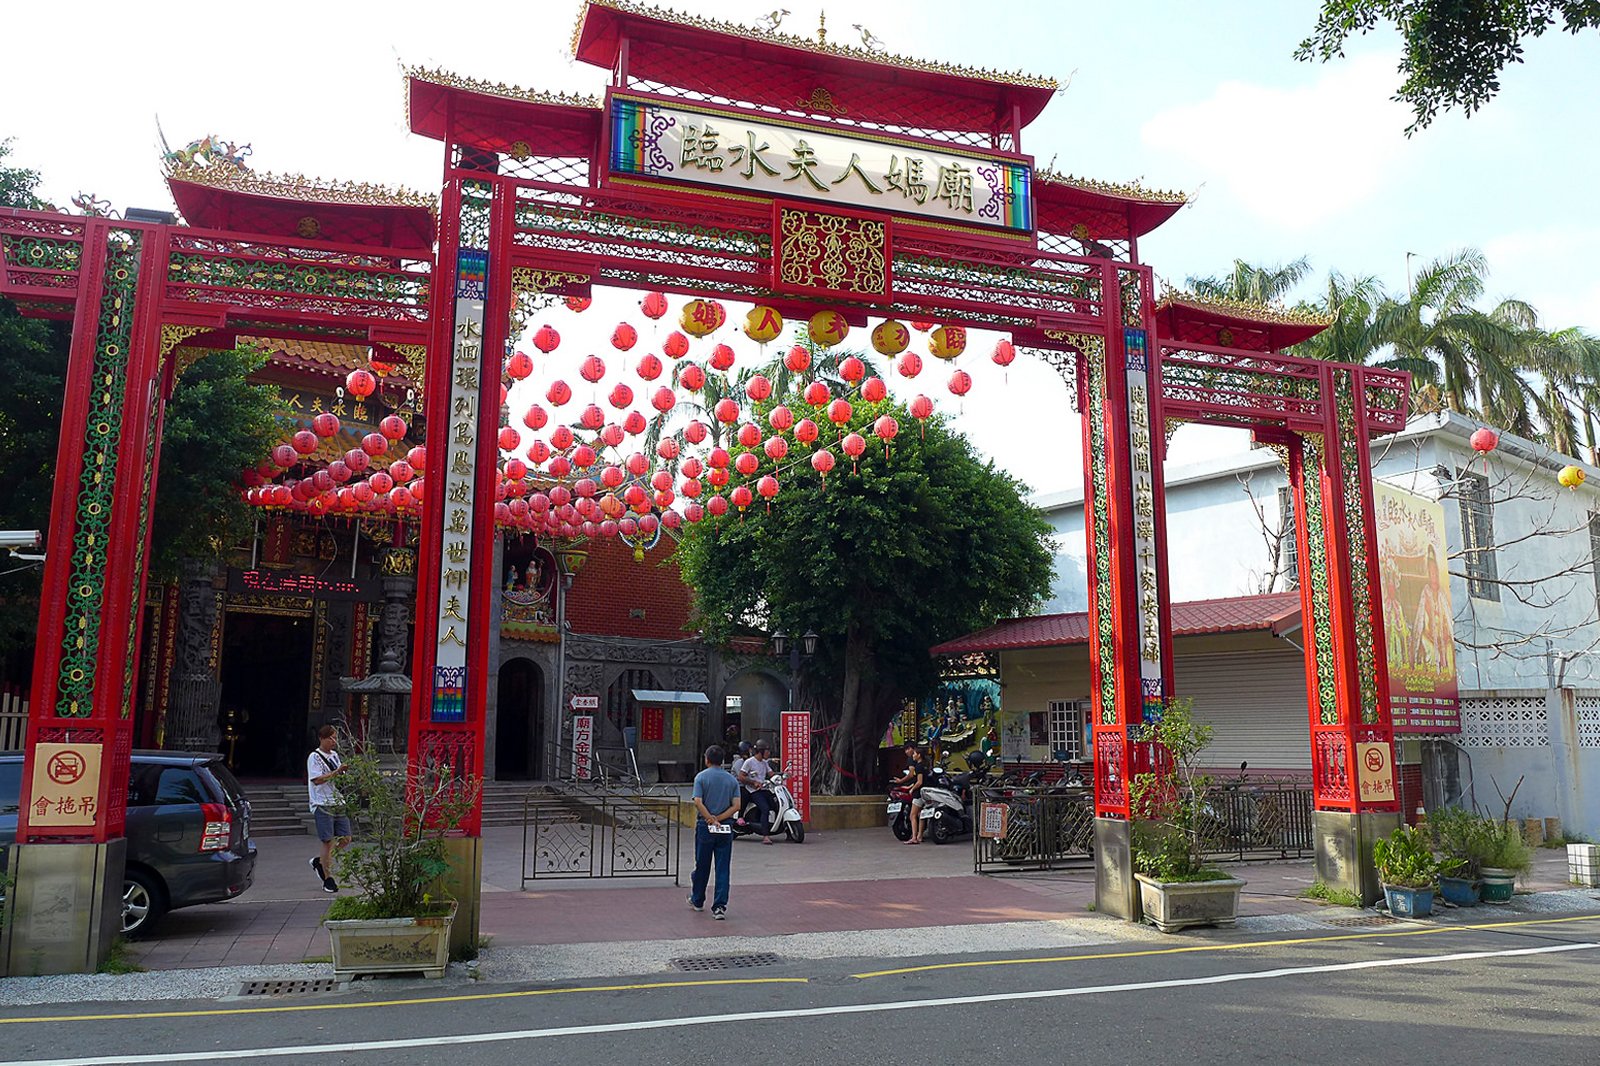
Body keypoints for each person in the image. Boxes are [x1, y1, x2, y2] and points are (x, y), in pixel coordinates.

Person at [688, 744, 740, 919]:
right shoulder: (732, 780)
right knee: (723, 867)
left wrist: (710, 818)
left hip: (705, 826)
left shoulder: (701, 778)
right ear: (723, 761)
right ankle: (719, 906)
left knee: (702, 865)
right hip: (725, 827)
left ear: (707, 759)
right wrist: (719, 818)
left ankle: (697, 900)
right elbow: (737, 806)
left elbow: (697, 801)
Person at [306, 725, 351, 893]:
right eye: (330, 738)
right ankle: (327, 878)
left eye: (335, 738)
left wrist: (343, 773)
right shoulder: (314, 757)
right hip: (322, 802)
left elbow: (339, 778)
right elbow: (317, 779)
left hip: (338, 801)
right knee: (327, 840)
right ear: (321, 738)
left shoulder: (335, 756)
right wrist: (337, 772)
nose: (334, 741)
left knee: (346, 838)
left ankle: (321, 861)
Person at [737, 739, 775, 844]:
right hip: (753, 791)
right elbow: (741, 776)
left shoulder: (764, 763)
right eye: (767, 751)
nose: (768, 753)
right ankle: (766, 836)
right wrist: (753, 782)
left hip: (764, 789)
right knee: (765, 808)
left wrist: (781, 776)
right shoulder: (749, 762)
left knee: (775, 804)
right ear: (760, 751)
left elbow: (771, 773)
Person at [894, 744, 927, 845]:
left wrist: (912, 789)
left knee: (912, 815)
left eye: (915, 754)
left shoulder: (918, 766)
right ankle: (919, 836)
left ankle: (914, 837)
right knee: (920, 815)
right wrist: (909, 787)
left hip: (918, 793)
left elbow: (919, 782)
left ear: (919, 755)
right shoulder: (924, 765)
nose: (913, 755)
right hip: (923, 793)